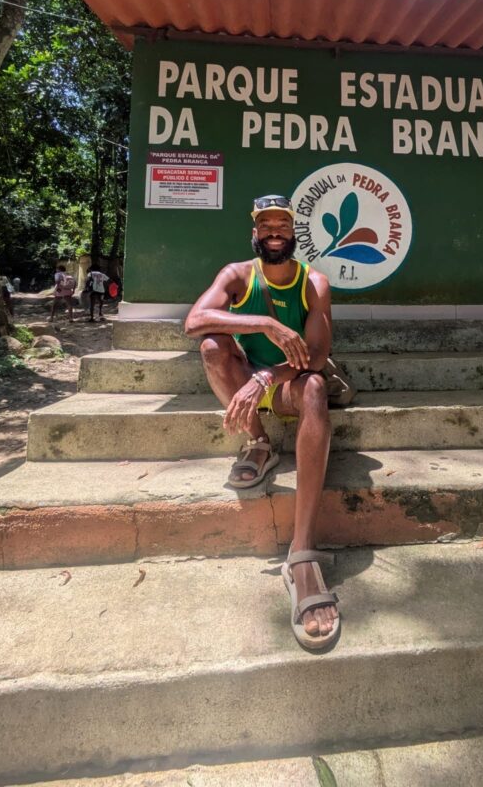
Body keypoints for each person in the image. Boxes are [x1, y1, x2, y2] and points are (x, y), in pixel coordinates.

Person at [185, 193, 339, 650]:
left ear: (294, 234)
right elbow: (194, 321)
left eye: (283, 226)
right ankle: (259, 443)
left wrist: (268, 376)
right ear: (255, 233)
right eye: (266, 225)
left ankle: (302, 555)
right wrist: (265, 326)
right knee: (212, 346)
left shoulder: (314, 282)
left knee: (315, 388)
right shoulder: (237, 275)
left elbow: (316, 356)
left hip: (288, 383)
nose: (275, 232)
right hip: (245, 375)